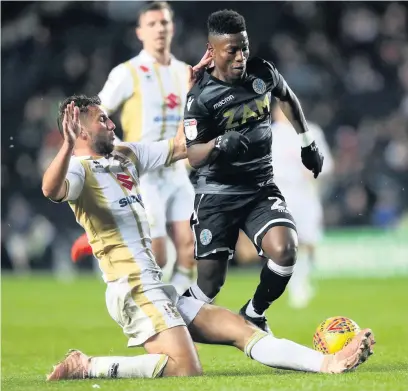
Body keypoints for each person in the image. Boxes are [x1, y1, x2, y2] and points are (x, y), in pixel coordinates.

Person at [43, 95, 374, 381]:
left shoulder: (124, 156)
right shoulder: (77, 169)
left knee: (243, 330)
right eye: (102, 119)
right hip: (131, 287)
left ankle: (328, 363)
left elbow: (179, 146)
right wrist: (68, 145)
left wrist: (196, 94)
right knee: (185, 369)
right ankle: (88, 366)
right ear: (80, 129)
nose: (112, 123)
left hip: (155, 284)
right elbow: (51, 189)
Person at [182, 9, 325, 332]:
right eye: (231, 50)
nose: (240, 56)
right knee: (209, 285)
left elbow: (287, 97)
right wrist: (219, 144)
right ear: (212, 50)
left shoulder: (262, 72)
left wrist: (307, 143)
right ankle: (169, 324)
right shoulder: (200, 97)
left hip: (260, 187)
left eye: (243, 47)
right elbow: (193, 154)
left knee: (286, 250)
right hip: (217, 195)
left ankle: (254, 313)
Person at [70, 1, 197, 294]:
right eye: (152, 24)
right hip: (145, 172)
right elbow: (96, 113)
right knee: (160, 255)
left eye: (164, 23)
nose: (159, 29)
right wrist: (95, 150)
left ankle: (174, 313)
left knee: (189, 251)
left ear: (172, 27)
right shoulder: (127, 72)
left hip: (177, 170)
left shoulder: (184, 72)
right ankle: (104, 236)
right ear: (140, 32)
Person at [271, 105, 334, 308]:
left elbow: (327, 163)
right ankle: (293, 286)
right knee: (288, 243)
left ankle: (302, 281)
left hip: (306, 193)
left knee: (309, 242)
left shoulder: (311, 131)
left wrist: (315, 168)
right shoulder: (270, 134)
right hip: (281, 193)